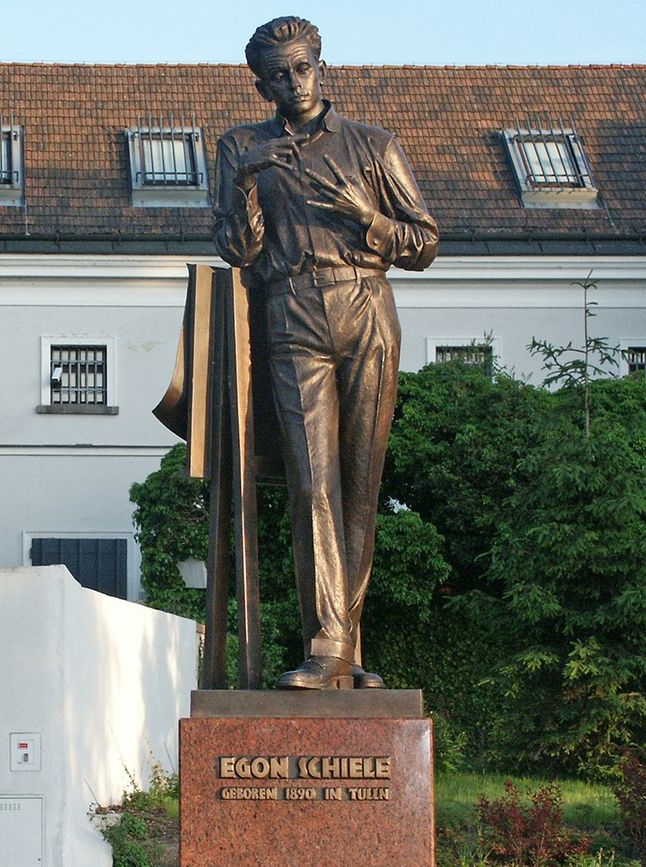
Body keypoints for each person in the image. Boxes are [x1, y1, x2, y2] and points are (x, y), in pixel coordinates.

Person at [213, 16, 439, 690]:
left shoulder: (372, 146)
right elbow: (235, 249)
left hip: (366, 305)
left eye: (302, 67)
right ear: (261, 85)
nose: (293, 81)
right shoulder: (239, 148)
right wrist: (246, 182)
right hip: (290, 310)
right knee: (313, 484)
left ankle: (345, 652)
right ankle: (328, 645)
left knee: (360, 489)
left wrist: (366, 218)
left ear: (321, 65)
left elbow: (425, 244)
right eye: (277, 74)